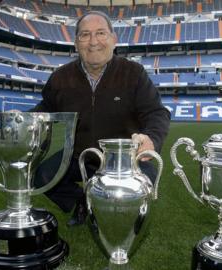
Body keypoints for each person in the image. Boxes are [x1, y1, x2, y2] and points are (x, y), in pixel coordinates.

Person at [31, 11, 170, 226]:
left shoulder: (133, 72)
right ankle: (82, 203)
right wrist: (21, 120)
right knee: (43, 176)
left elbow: (156, 112)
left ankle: (110, 212)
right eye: (85, 35)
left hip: (125, 159)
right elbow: (45, 109)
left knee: (134, 196)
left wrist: (152, 139)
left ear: (114, 39)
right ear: (76, 43)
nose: (93, 41)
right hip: (80, 156)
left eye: (101, 33)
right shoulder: (60, 78)